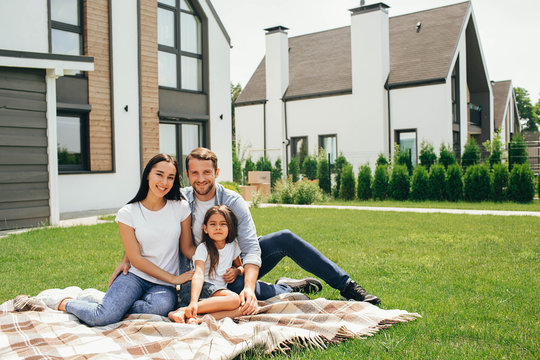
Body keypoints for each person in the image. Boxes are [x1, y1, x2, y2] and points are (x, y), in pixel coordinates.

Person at [111, 148, 380, 316]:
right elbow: (147, 220)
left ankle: (347, 286)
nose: (201, 178)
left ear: (216, 172)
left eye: (207, 172)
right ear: (188, 175)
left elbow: (251, 248)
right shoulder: (180, 200)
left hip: (236, 262)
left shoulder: (233, 201)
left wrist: (248, 284)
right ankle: (285, 288)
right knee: (237, 292)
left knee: (283, 238)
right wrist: (128, 256)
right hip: (206, 272)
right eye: (194, 173)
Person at [52, 154, 194, 326]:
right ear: (147, 174)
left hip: (162, 286)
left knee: (160, 308)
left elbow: (187, 247)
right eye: (159, 174)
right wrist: (174, 279)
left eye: (170, 177)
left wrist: (214, 256)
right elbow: (136, 259)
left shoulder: (180, 207)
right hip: (135, 276)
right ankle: (64, 302)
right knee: (102, 317)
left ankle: (112, 307)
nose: (164, 182)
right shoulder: (128, 213)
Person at [169, 205, 244, 324]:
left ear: (229, 227)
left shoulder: (233, 246)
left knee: (241, 310)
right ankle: (184, 309)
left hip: (215, 296)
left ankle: (196, 318)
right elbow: (198, 274)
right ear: (205, 229)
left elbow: (241, 267)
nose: (218, 228)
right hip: (198, 289)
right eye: (213, 224)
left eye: (223, 224)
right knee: (235, 299)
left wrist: (237, 271)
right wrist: (193, 301)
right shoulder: (203, 248)